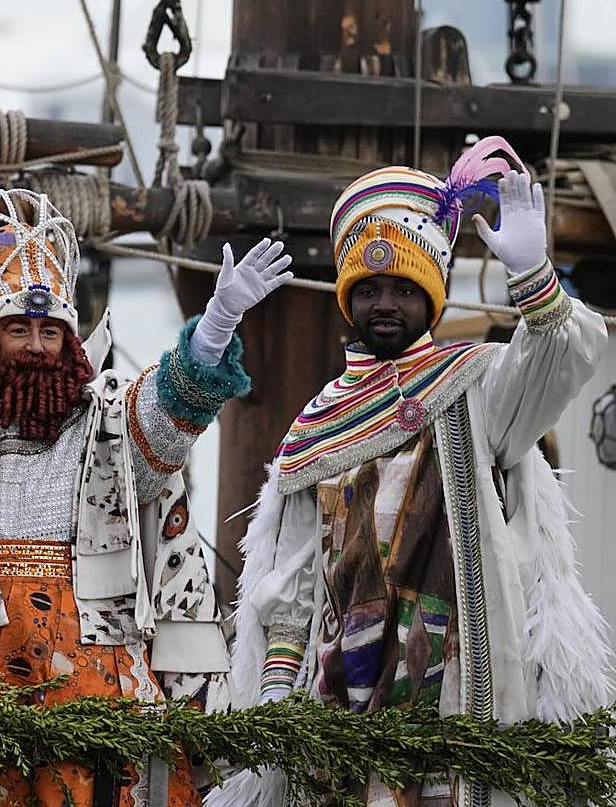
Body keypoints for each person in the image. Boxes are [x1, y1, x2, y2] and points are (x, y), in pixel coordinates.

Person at [208, 137, 612, 807]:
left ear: (433, 297)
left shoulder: (475, 387)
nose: (385, 304)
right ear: (347, 300)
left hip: (453, 685)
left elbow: (558, 364)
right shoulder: (317, 422)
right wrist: (278, 688)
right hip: (339, 695)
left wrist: (535, 280)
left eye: (403, 287)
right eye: (368, 290)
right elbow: (292, 573)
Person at [0, 188, 292, 806]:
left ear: (69, 344)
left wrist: (214, 330)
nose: (36, 347)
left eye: (50, 333)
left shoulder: (106, 425)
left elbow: (163, 419)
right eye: (18, 330)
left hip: (94, 669)